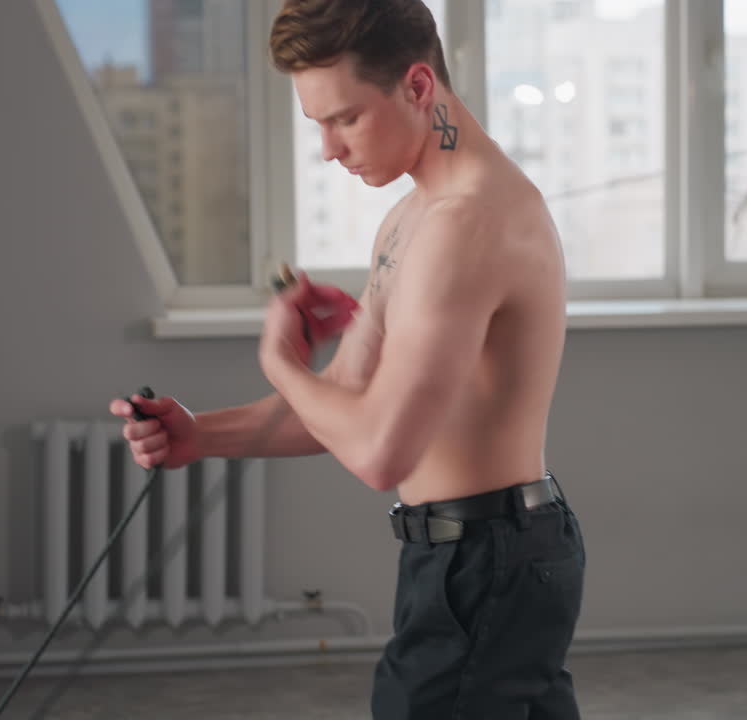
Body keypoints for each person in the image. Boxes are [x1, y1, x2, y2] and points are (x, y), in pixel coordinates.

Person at [110, 0, 584, 716]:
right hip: (474, 553)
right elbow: (346, 402)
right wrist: (199, 435)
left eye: (345, 118)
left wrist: (278, 360)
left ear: (418, 87)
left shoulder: (469, 222)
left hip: (485, 559)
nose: (329, 148)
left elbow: (377, 454)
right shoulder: (411, 218)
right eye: (318, 125)